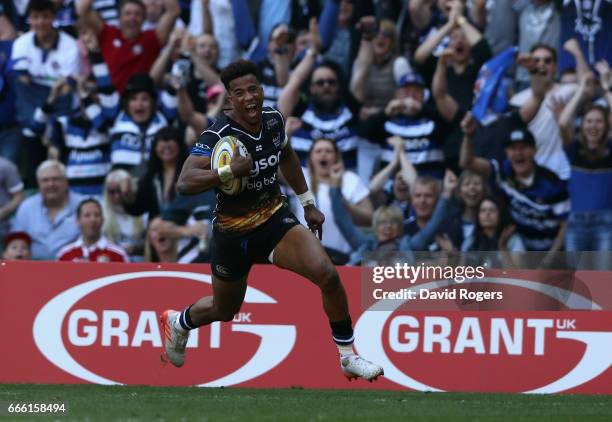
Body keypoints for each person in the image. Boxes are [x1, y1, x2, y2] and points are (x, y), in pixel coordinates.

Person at [160, 59, 383, 381]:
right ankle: (179, 323)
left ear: (262, 91)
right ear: (230, 100)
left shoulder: (275, 120)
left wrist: (307, 203)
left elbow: (287, 155)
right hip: (232, 233)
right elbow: (184, 182)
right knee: (225, 310)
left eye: (253, 89)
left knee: (328, 276)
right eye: (240, 93)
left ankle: (347, 355)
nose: (249, 97)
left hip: (273, 221)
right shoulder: (217, 134)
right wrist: (227, 171)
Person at [460, 113, 570, 253]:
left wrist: (547, 262)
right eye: (513, 148)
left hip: (550, 254)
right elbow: (466, 162)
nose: (518, 153)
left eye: (524, 147)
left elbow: (565, 226)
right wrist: (469, 136)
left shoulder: (553, 184)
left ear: (534, 151)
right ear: (506, 152)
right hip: (517, 251)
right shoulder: (502, 171)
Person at [292, 137, 373, 264]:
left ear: (336, 157)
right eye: (318, 151)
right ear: (311, 158)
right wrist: (287, 134)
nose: (323, 154)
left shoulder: (351, 179)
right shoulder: (301, 177)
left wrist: (342, 201)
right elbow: (278, 170)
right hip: (307, 258)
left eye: (328, 151)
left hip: (346, 258)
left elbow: (370, 218)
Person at [11, 160, 83, 259]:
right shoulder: (27, 207)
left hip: (74, 268)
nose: (50, 184)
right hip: (34, 269)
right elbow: (16, 242)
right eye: (45, 180)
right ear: (38, 184)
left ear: (66, 181)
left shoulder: (83, 205)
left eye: (56, 179)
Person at [57, 198, 130, 262]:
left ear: (103, 220)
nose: (93, 219)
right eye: (87, 215)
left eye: (97, 215)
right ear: (78, 220)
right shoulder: (64, 255)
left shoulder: (119, 255)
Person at [101, 169, 148, 261]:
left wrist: (138, 249)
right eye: (112, 192)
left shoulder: (143, 212)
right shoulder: (100, 212)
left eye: (119, 191)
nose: (117, 196)